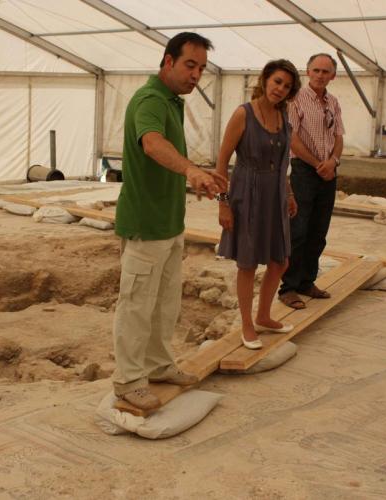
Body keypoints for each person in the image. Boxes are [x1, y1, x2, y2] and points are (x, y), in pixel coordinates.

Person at [112, 32, 227, 410]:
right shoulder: (150, 99)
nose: (196, 75)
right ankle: (129, 382)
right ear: (167, 62)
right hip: (146, 224)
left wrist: (197, 173)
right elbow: (152, 143)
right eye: (189, 65)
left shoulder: (171, 101)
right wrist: (190, 169)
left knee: (164, 303)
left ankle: (159, 365)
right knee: (136, 305)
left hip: (169, 223)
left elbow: (166, 154)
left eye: (201, 68)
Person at [217, 59, 301, 349]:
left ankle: (264, 316)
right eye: (277, 81)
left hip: (275, 193)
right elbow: (221, 160)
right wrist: (223, 203)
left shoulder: (284, 118)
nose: (280, 89)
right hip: (247, 193)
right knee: (248, 263)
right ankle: (246, 324)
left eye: (287, 86)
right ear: (265, 80)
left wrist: (289, 193)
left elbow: (282, 163)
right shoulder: (244, 114)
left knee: (281, 260)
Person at [278, 53, 344, 309]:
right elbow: (291, 137)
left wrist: (333, 162)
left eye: (325, 72)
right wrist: (318, 163)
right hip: (305, 171)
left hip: (328, 172)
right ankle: (289, 287)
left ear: (333, 76)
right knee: (298, 230)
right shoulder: (295, 100)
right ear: (307, 72)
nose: (320, 75)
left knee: (318, 230)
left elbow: (338, 136)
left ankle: (307, 281)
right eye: (316, 70)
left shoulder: (333, 102)